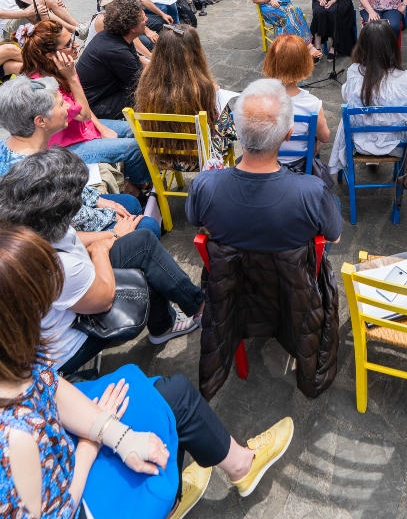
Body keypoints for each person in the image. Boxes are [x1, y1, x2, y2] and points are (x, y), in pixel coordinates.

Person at [0, 224, 295, 516]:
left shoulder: (15, 356)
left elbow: (47, 382)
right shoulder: (14, 438)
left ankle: (197, 484)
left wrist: (113, 432)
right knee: (169, 407)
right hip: (75, 495)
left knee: (170, 394)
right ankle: (184, 492)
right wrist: (91, 444)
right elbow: (58, 511)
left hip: (57, 433)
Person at [0, 149, 207, 369]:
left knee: (142, 243)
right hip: (72, 341)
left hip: (74, 288)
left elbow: (73, 237)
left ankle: (182, 315)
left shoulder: (30, 222)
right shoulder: (58, 267)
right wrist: (100, 252)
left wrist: (115, 234)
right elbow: (104, 297)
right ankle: (198, 313)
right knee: (145, 268)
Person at [187, 78, 342, 249]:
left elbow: (200, 223)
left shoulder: (203, 186)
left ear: (237, 131)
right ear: (288, 134)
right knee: (334, 201)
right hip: (293, 274)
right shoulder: (314, 192)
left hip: (232, 274)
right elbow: (334, 237)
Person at [0, 75, 158, 237]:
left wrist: (97, 199)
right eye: (61, 104)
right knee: (148, 227)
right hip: (60, 239)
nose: (68, 106)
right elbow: (75, 221)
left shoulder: (11, 144)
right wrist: (114, 228)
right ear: (40, 121)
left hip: (64, 218)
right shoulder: (35, 174)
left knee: (130, 203)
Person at [17, 20, 152, 188]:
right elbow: (83, 114)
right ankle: (141, 189)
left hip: (82, 130)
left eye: (72, 38)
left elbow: (83, 107)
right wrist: (72, 77)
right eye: (68, 44)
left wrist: (102, 129)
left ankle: (131, 179)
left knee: (136, 129)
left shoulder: (58, 68)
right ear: (50, 55)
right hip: (66, 147)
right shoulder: (44, 85)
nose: (76, 44)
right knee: (134, 147)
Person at [135, 23, 237, 167]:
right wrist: (214, 94)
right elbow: (211, 121)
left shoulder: (147, 79)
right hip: (198, 156)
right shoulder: (202, 88)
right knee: (227, 115)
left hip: (162, 154)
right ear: (195, 52)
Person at [328, 19, 407, 173]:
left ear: (362, 46)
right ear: (392, 46)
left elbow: (347, 97)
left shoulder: (354, 72)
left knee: (349, 115)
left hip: (359, 142)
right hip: (395, 143)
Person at [262, 35, 331, 165]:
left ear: (270, 62)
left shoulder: (258, 99)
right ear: (304, 64)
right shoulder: (312, 103)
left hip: (265, 164)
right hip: (299, 164)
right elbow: (325, 137)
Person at [76, 0, 146, 120]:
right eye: (142, 18)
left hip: (102, 94)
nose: (146, 19)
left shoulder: (115, 35)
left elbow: (137, 64)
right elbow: (140, 83)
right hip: (95, 106)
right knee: (147, 94)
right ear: (132, 28)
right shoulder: (117, 51)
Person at [0, 0, 89, 44]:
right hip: (7, 29)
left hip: (21, 18)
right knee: (36, 10)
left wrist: (53, 1)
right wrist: (26, 13)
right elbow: (1, 14)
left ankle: (81, 29)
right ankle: (75, 30)